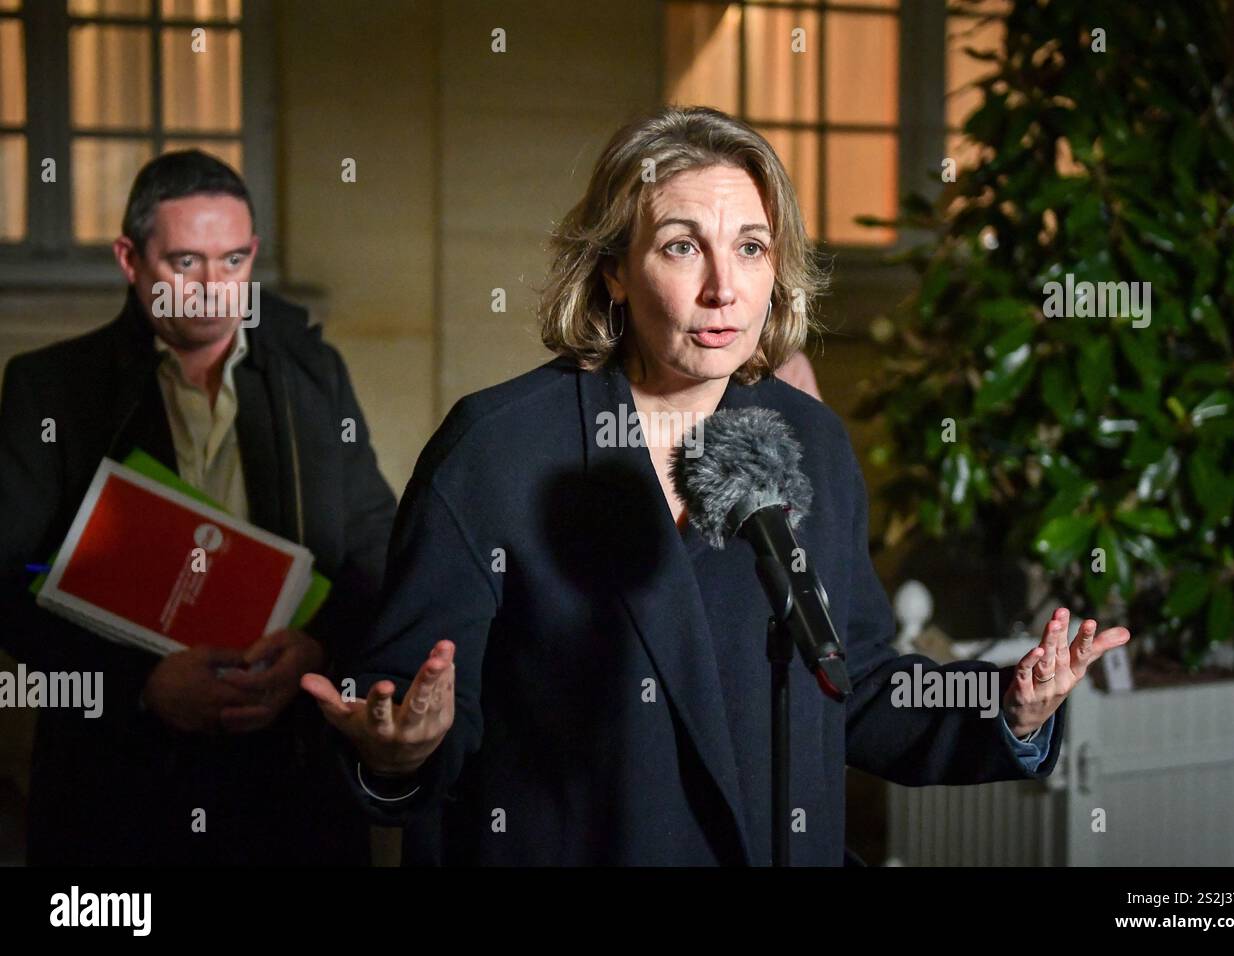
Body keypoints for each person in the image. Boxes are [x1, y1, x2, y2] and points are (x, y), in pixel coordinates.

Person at [304, 106, 1130, 866]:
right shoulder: (495, 449)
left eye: (750, 247)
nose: (722, 288)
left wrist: (1009, 709)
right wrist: (398, 751)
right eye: (679, 245)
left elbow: (858, 682)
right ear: (614, 271)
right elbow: (407, 706)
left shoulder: (812, 443)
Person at [0, 150, 396, 864]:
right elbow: (9, 582)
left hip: (291, 784)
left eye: (235, 260)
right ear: (130, 259)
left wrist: (317, 649)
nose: (215, 289)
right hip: (119, 792)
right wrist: (141, 688)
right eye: (186, 263)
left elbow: (374, 547)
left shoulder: (313, 374)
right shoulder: (51, 389)